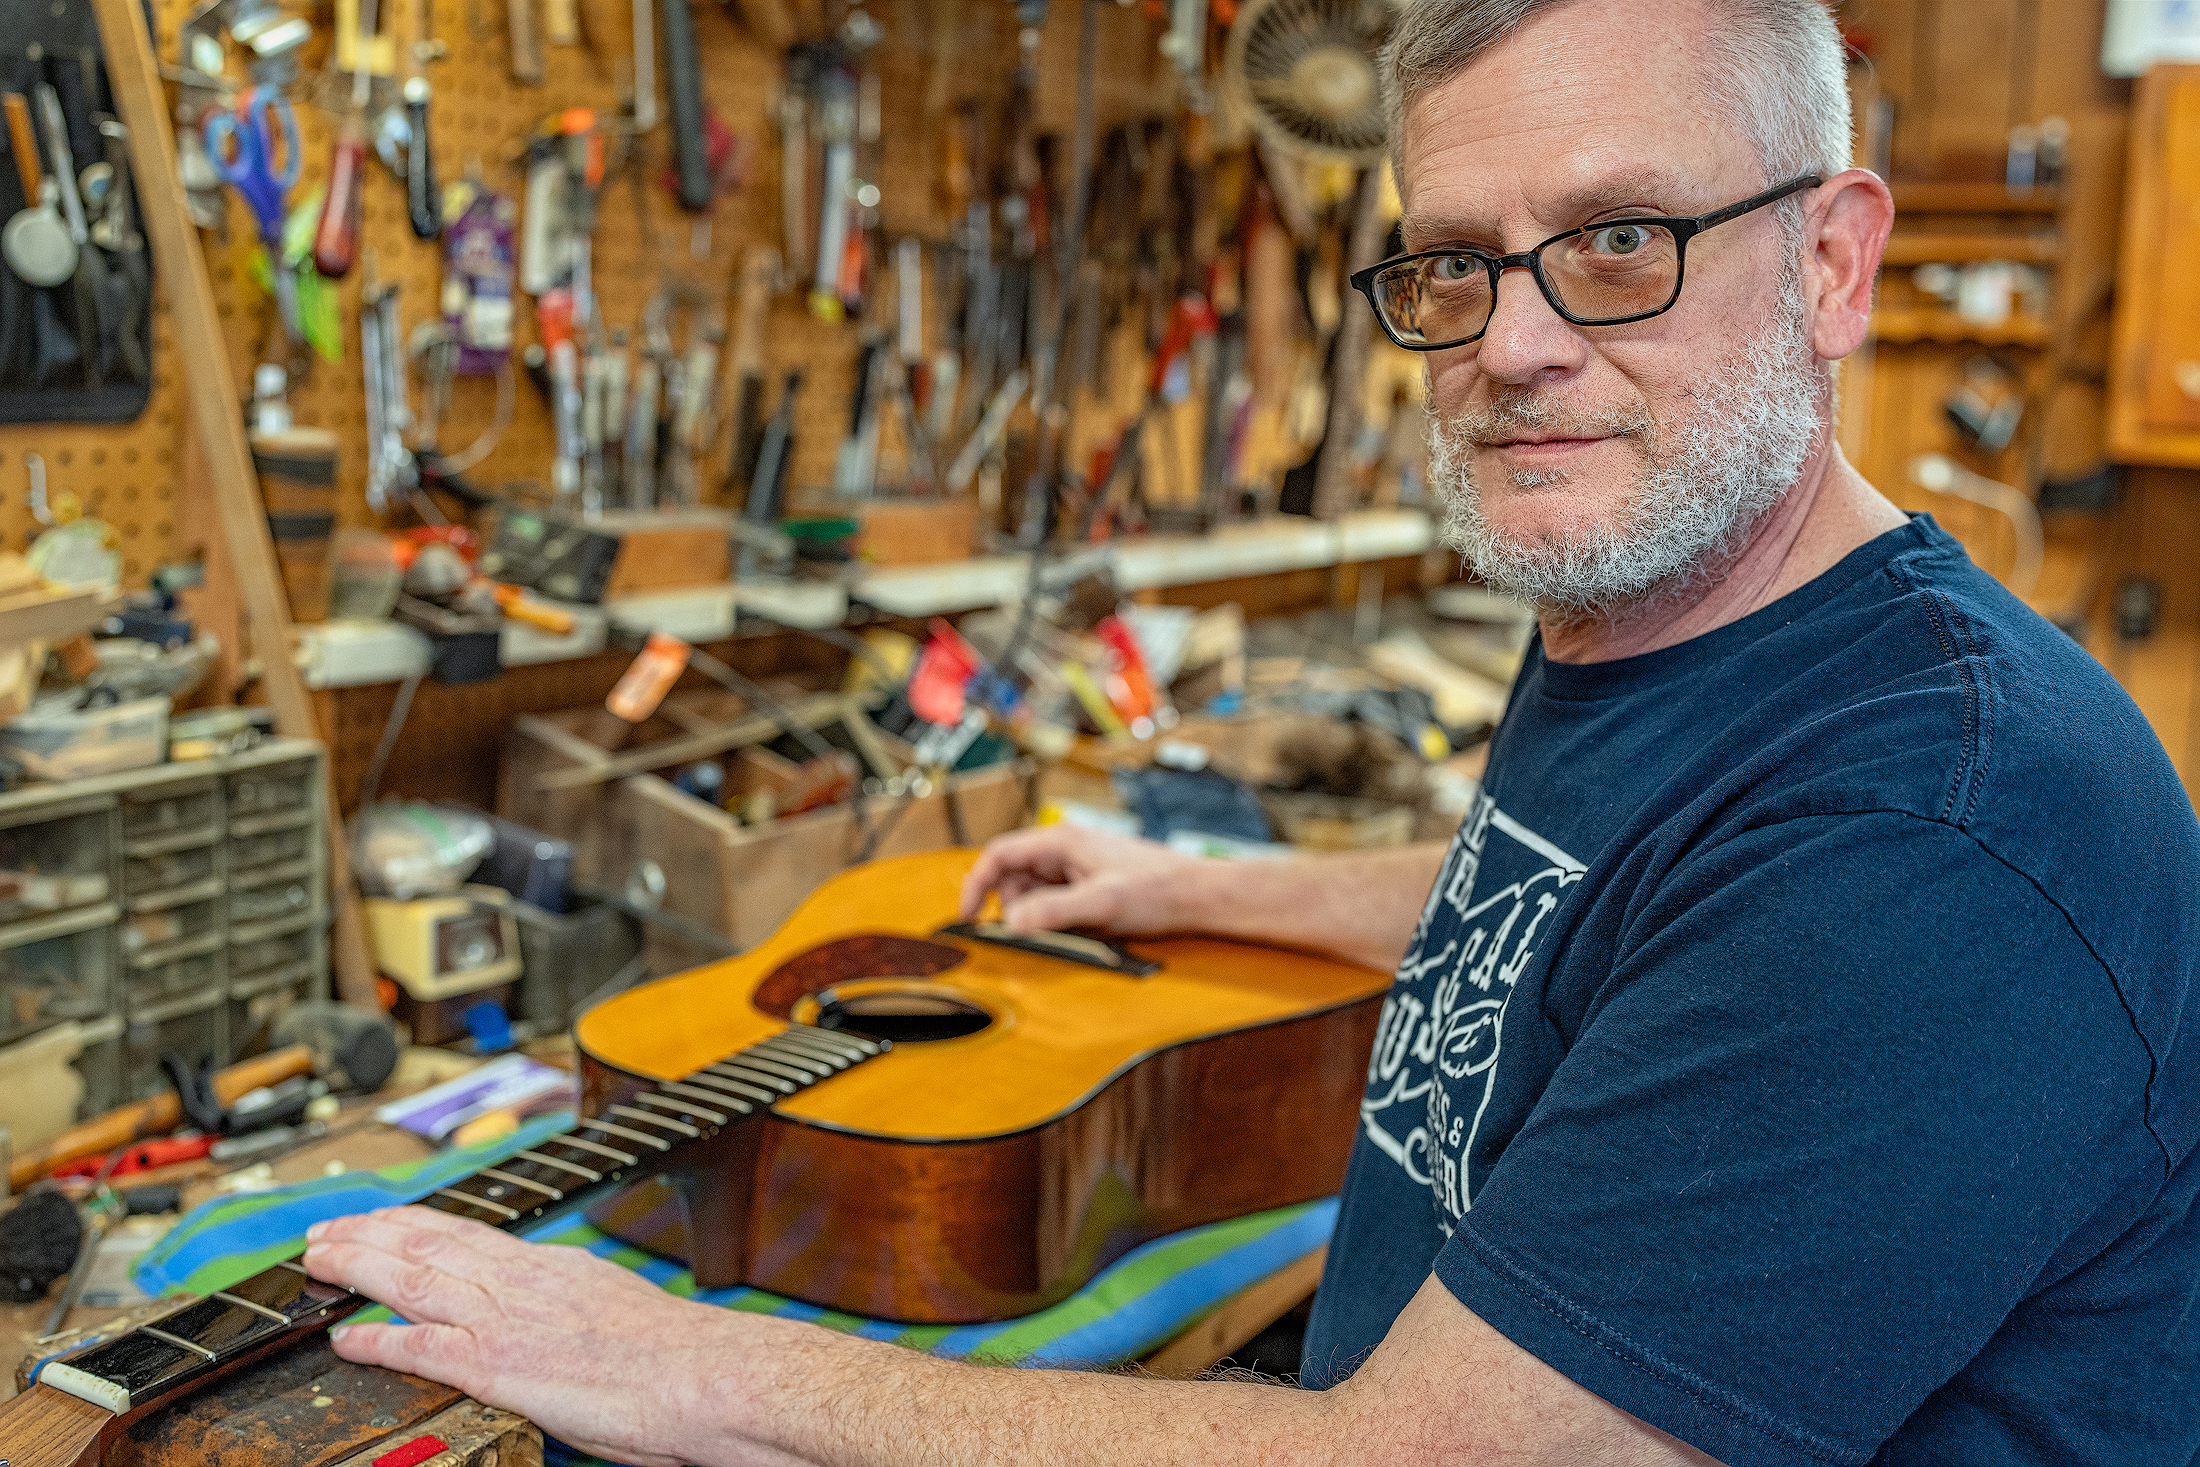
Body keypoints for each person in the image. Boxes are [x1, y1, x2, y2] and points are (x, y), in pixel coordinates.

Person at [301, 0, 2200, 1460]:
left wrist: (677, 1366)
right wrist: (1197, 880)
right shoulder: (1684, 619)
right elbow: (1594, 911)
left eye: (1621, 240)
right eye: (1454, 264)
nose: (1516, 345)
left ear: (1835, 261)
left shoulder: (1934, 834)